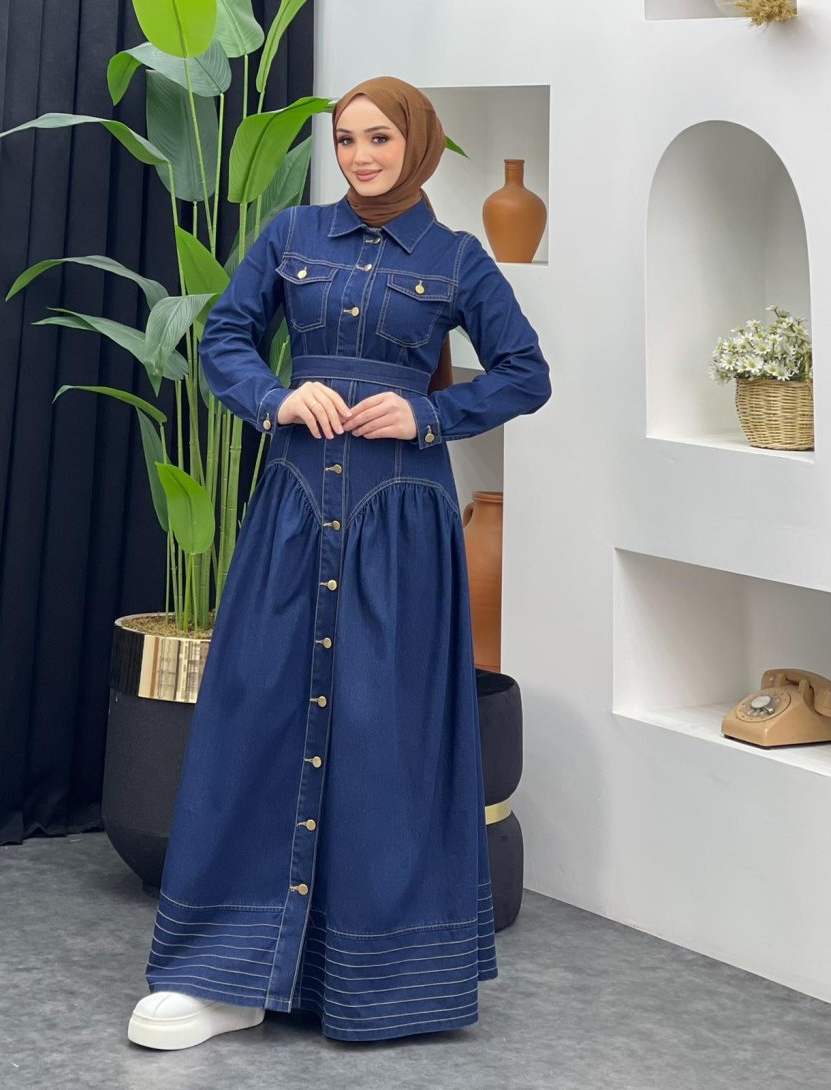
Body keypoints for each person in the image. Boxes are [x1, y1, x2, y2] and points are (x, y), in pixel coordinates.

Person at [127, 75, 552, 1050]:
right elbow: (225, 337)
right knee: (256, 715)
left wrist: (430, 413)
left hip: (401, 525)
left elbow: (526, 372)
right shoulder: (291, 237)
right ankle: (224, 973)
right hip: (293, 508)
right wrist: (275, 397)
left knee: (382, 732)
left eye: (379, 139)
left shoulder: (456, 258)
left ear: (417, 144)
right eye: (347, 139)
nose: (360, 156)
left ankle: (377, 980)